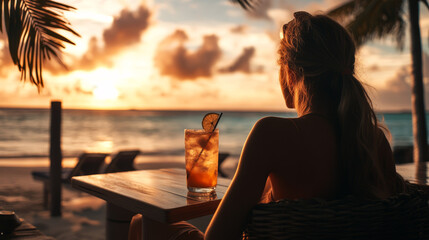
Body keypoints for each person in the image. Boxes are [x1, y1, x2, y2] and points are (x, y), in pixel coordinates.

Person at [129, 11, 405, 240]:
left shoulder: (273, 134)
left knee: (141, 223)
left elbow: (219, 236)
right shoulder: (374, 141)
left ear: (290, 72)